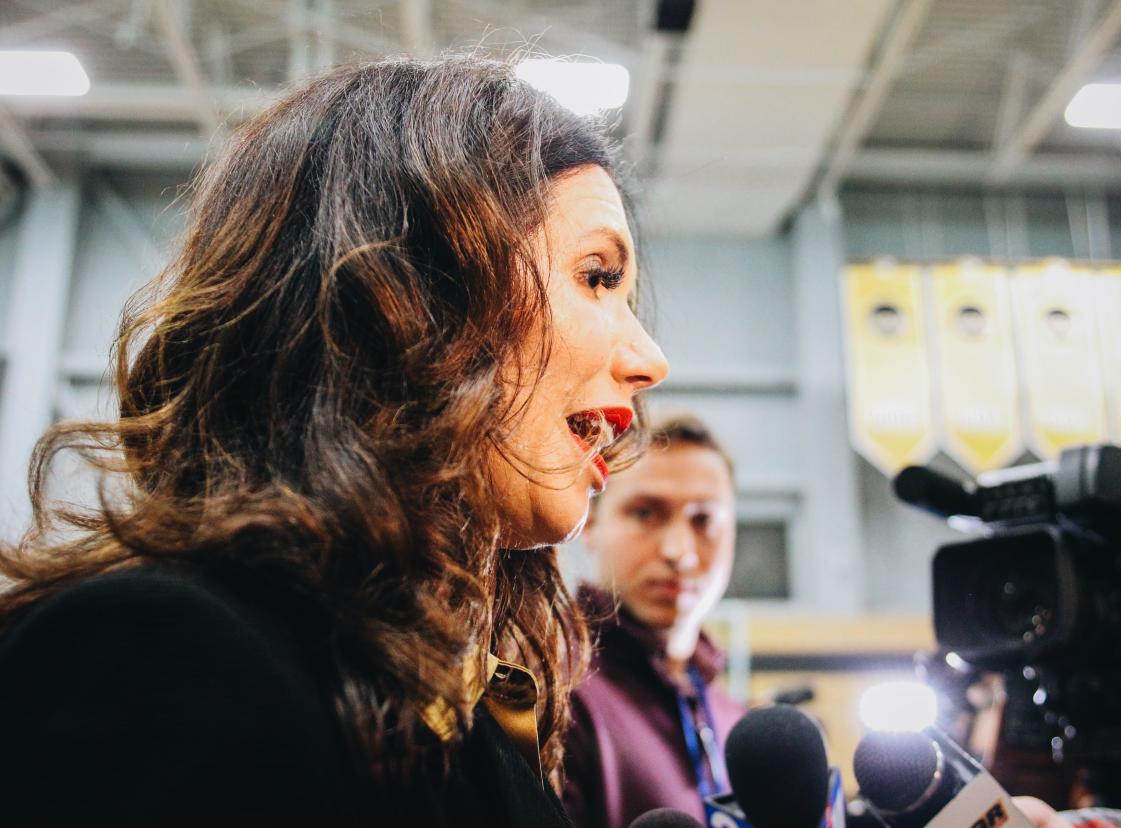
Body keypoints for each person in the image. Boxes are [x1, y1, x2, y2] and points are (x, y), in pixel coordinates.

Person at [0, 55, 667, 827]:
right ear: (412, 292)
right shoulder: (158, 656)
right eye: (595, 277)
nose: (649, 361)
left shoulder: (466, 715)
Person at [562, 414, 747, 828]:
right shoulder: (555, 694)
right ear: (590, 523)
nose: (678, 551)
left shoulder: (732, 716)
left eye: (704, 520)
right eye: (645, 513)